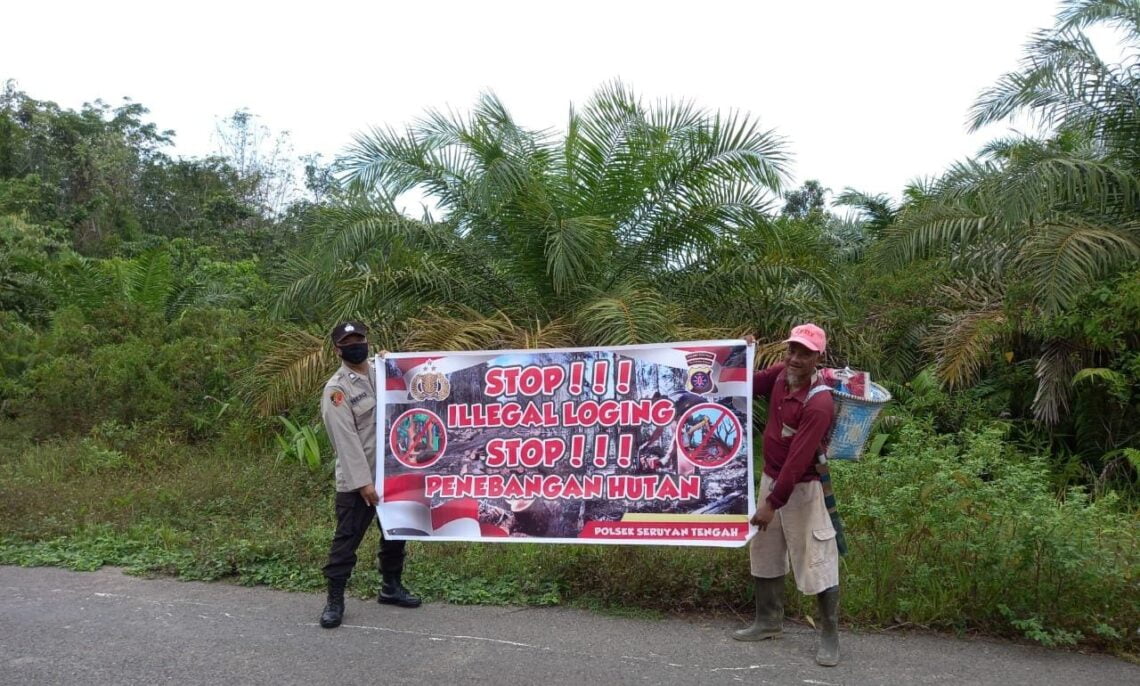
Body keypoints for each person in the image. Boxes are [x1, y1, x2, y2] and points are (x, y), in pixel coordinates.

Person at [733, 324, 841, 667]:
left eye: (804, 353)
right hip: (771, 480)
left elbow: (798, 460)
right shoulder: (781, 375)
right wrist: (740, 354)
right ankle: (768, 621)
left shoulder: (820, 401)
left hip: (803, 488)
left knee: (816, 556)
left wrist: (770, 503)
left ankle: (829, 635)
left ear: (818, 358)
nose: (795, 358)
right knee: (765, 549)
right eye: (792, 350)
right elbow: (746, 386)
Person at [318, 320, 421, 629]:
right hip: (358, 481)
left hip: (394, 473)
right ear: (338, 349)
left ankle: (391, 587)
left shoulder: (383, 371)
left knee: (396, 534)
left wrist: (398, 366)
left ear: (368, 339)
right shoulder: (337, 389)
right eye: (348, 342)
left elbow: (418, 391)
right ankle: (334, 600)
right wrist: (363, 483)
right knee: (346, 541)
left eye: (359, 338)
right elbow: (345, 440)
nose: (355, 345)